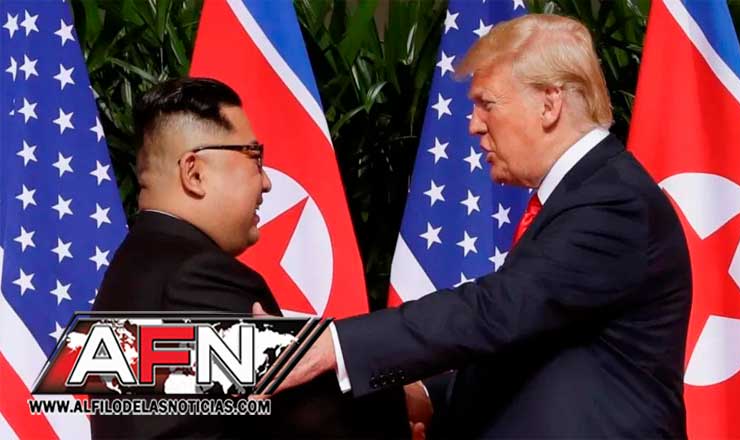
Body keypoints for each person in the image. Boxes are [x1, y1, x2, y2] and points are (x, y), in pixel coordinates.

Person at [264, 14, 692, 438]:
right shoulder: (582, 194)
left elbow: (496, 310)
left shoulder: (614, 201)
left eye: (487, 103)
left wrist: (333, 345)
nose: (473, 124)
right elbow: (531, 350)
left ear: (549, 104)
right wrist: (427, 395)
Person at [92, 77, 409, 438]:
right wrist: (407, 403)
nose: (266, 182)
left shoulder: (132, 267)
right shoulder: (196, 277)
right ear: (194, 173)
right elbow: (309, 414)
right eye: (254, 157)